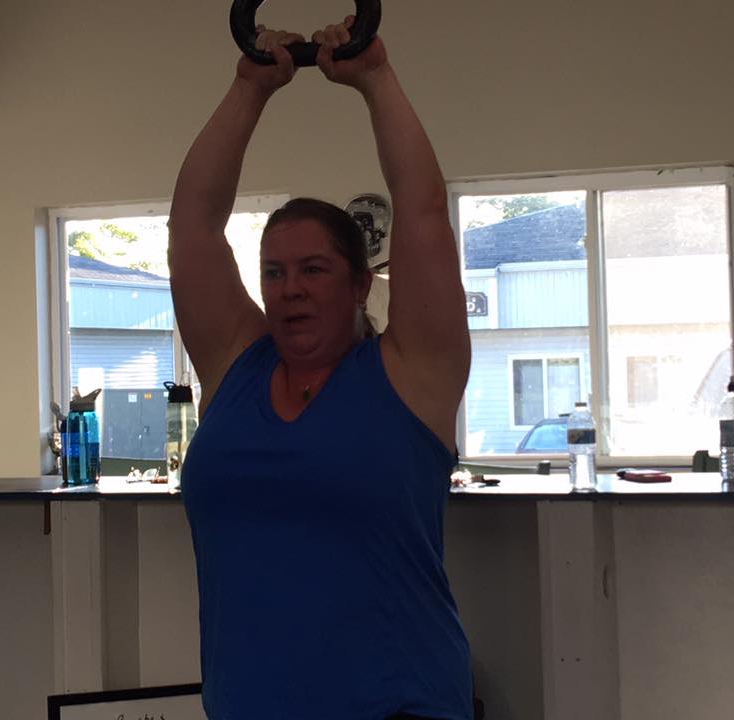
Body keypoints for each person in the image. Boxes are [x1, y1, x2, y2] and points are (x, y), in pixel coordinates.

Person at [168, 16, 473, 720]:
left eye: (313, 269)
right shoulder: (236, 364)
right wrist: (250, 88)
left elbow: (423, 214)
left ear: (361, 284)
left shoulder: (412, 374)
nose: (290, 289)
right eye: (274, 272)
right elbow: (192, 225)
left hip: (398, 708)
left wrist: (374, 78)